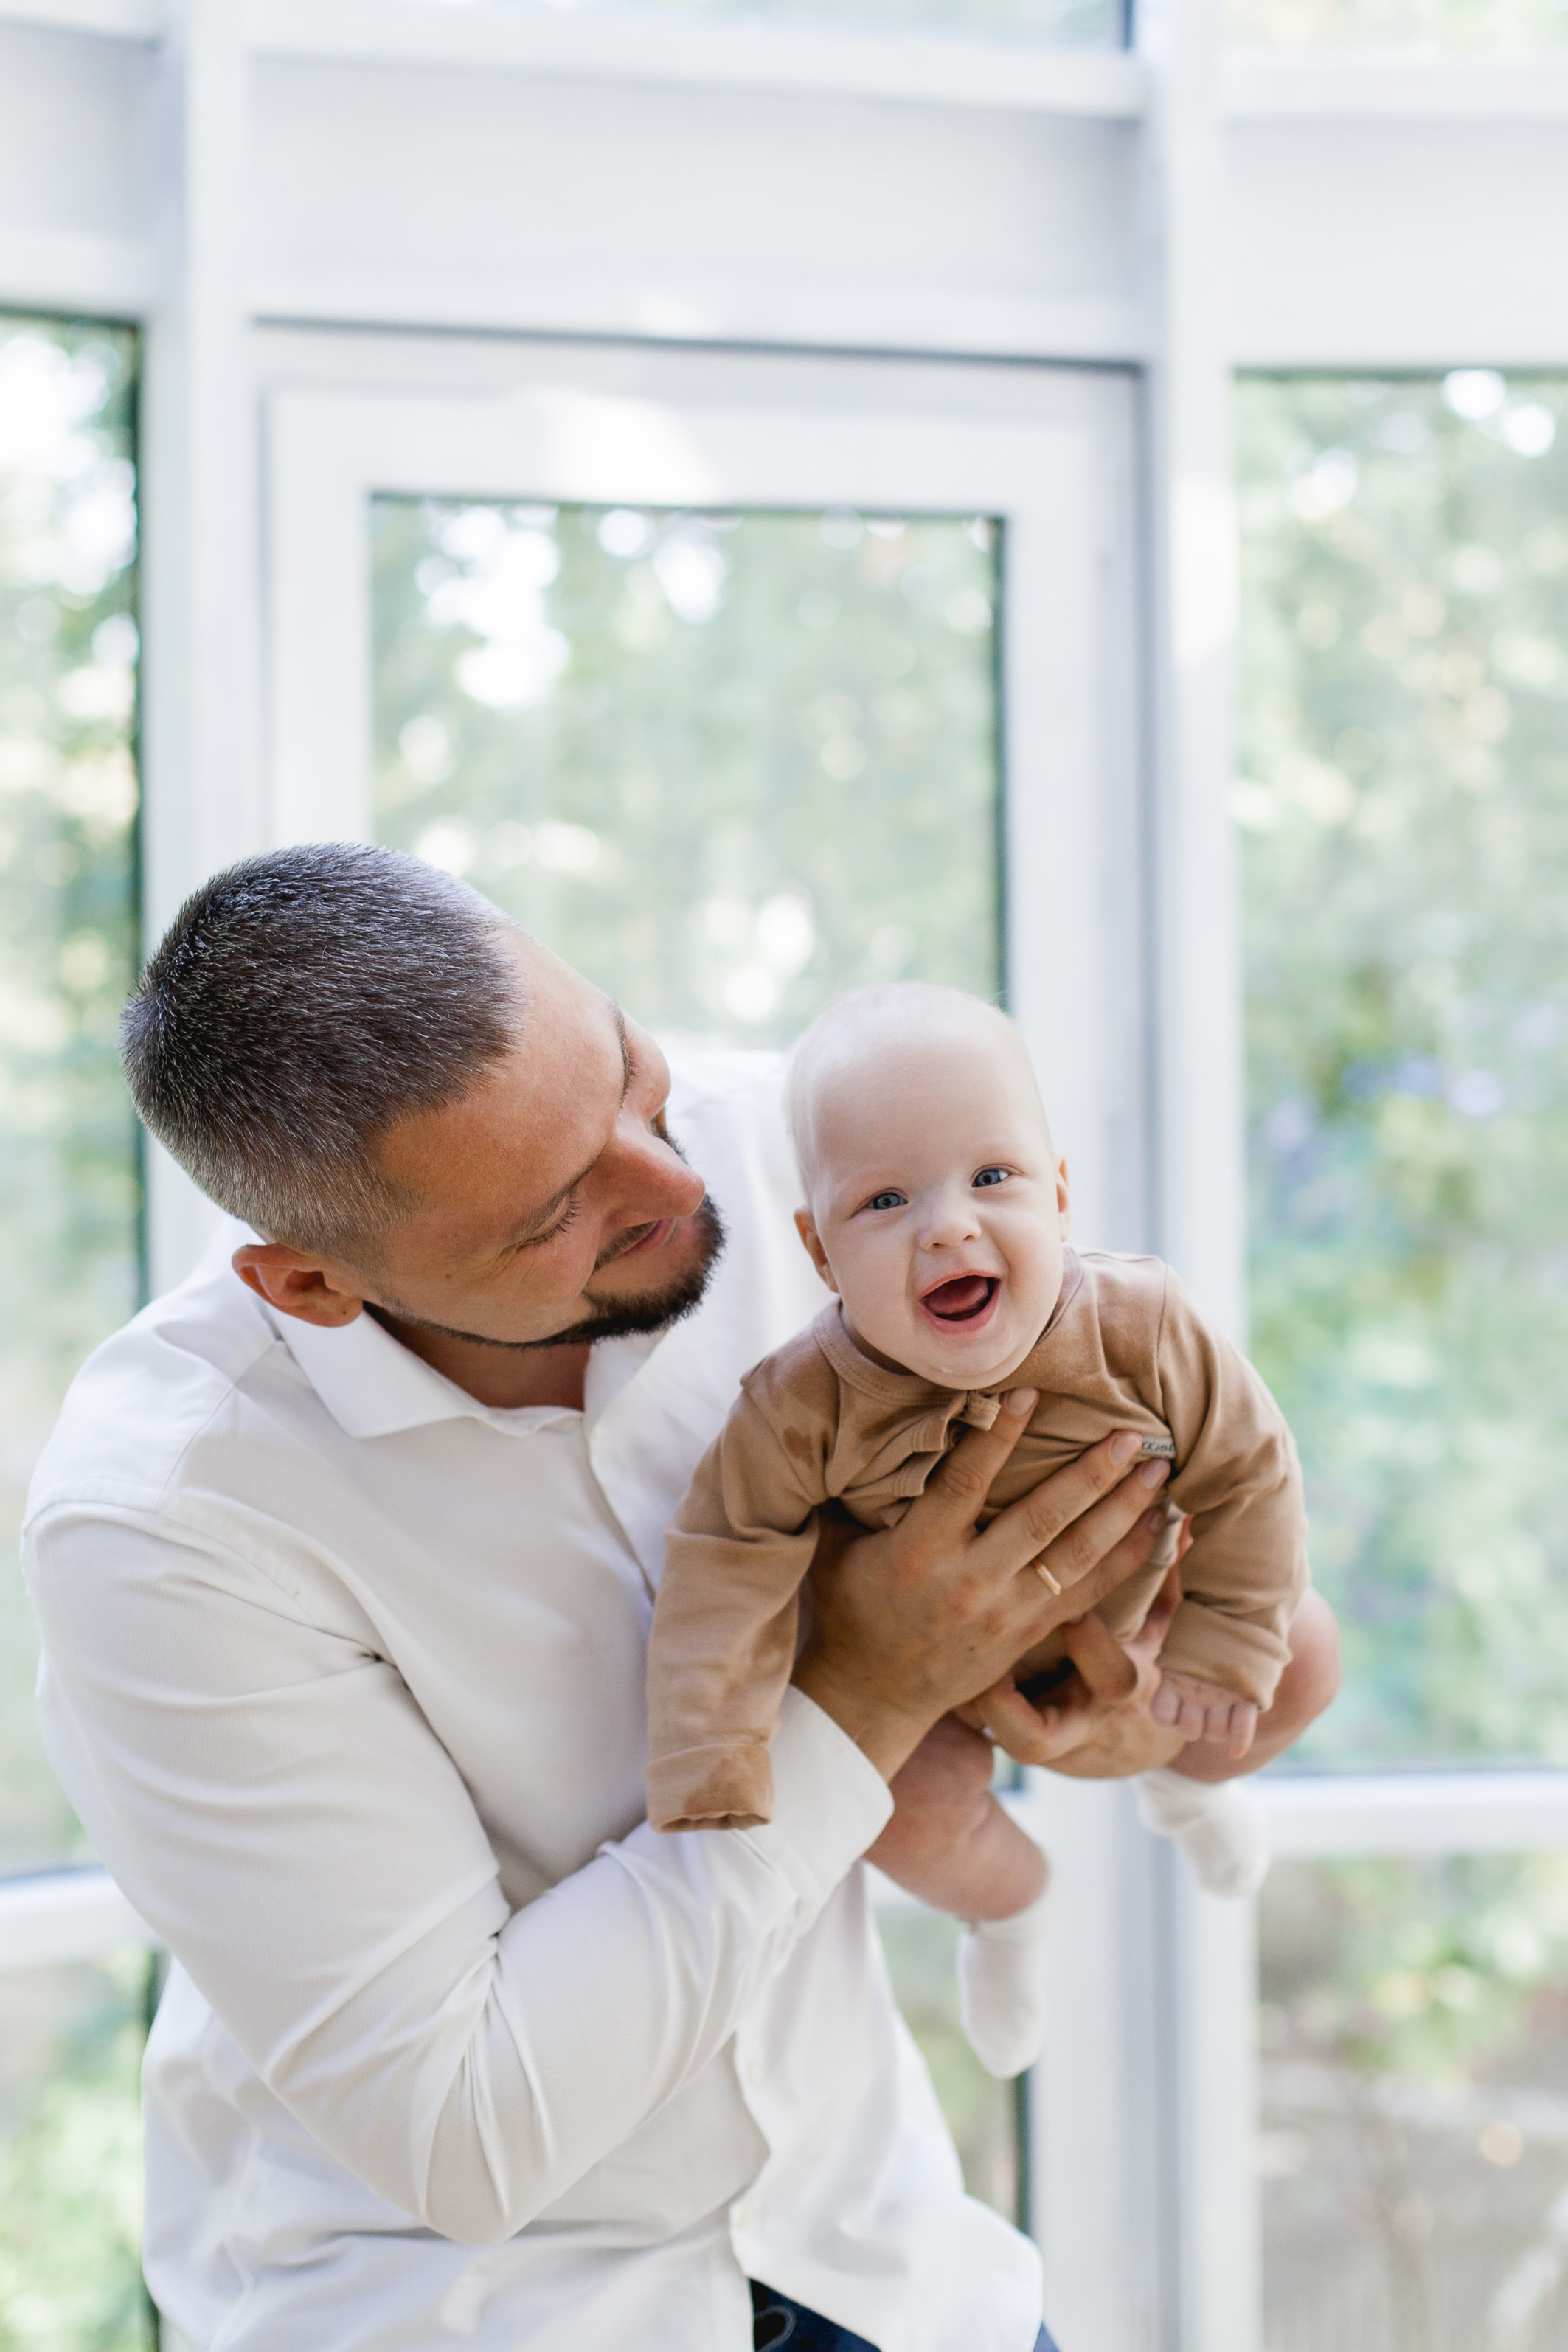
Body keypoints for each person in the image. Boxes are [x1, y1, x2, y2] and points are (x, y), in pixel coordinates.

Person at [21, 847, 1328, 2352]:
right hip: (477, 2310)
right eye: (560, 1209)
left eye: (631, 1076)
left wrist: (1150, 1680)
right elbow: (468, 2130)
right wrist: (866, 1687)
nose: (680, 1177)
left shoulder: (819, 1153)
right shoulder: (164, 1522)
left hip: (884, 2258)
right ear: (309, 1284)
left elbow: (1193, 1508)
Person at [645, 984, 1339, 2080]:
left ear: (1059, 1195)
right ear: (819, 1254)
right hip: (933, 1689)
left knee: (1300, 1650)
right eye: (883, 1202)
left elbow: (1250, 1465)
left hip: (1143, 1621)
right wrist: (709, 1743)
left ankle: (1190, 1781)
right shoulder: (798, 1405)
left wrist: (1219, 1637)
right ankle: (1011, 1907)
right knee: (890, 1808)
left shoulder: (1141, 1324)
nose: (949, 1224)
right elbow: (727, 1554)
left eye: (992, 1178)